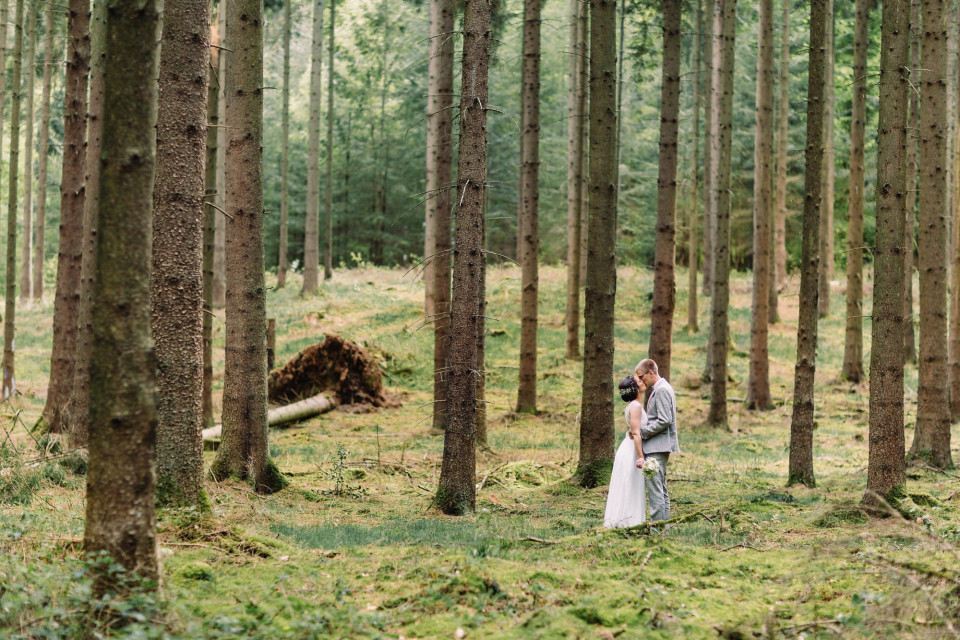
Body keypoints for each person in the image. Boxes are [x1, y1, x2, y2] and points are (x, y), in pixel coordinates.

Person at [636, 358, 678, 522]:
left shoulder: (661, 390)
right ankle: (663, 527)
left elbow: (664, 420)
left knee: (655, 492)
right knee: (661, 489)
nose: (641, 381)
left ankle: (657, 528)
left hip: (657, 447)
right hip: (659, 446)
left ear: (651, 373)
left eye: (641, 377)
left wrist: (643, 432)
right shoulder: (662, 388)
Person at [603, 374, 647, 528]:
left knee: (631, 484)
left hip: (630, 447)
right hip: (631, 451)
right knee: (630, 484)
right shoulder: (635, 406)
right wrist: (640, 457)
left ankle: (629, 520)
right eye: (639, 381)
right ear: (635, 388)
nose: (642, 381)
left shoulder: (634, 405)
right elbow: (636, 433)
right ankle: (627, 522)